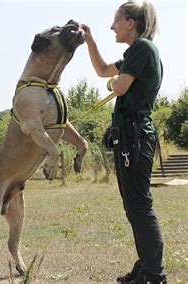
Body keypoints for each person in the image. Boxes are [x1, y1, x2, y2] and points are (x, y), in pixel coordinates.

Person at [82, 1, 167, 283]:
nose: (112, 27)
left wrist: (113, 83)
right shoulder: (136, 52)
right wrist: (90, 41)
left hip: (136, 136)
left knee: (139, 204)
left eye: (116, 21)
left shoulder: (143, 48)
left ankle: (154, 274)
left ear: (131, 22)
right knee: (133, 204)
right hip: (129, 136)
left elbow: (117, 85)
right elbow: (104, 69)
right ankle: (146, 267)